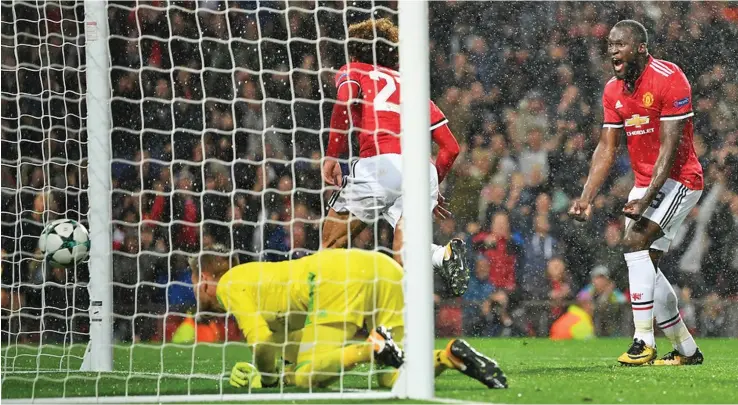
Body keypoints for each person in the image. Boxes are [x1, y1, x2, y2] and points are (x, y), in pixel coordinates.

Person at [569, 20, 704, 366]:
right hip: (647, 183)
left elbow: (670, 149)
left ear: (641, 48)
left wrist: (646, 198)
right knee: (646, 265)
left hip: (680, 180)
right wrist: (586, 196)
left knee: (633, 243)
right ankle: (687, 349)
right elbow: (606, 147)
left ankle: (643, 340)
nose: (613, 50)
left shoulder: (670, 78)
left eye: (621, 44)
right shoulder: (613, 90)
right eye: (610, 44)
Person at [190, 244, 508, 390]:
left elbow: (260, 343)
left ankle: (371, 347)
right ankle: (449, 356)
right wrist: (272, 368)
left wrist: (270, 379)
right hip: (383, 269)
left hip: (337, 278)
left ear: (204, 279)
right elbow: (279, 345)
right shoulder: (263, 284)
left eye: (193, 285)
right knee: (393, 379)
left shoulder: (229, 284)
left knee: (305, 379)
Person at [321, 18, 468, 297]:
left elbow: (344, 103)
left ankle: (333, 315)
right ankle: (442, 257)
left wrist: (331, 156)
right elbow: (451, 148)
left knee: (331, 244)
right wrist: (432, 187)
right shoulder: (413, 86)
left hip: (379, 165)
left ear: (353, 53)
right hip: (421, 171)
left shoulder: (353, 70)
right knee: (406, 259)